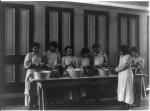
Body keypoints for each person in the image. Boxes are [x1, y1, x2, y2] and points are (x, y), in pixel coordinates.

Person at [115, 45, 134, 110]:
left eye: (120, 51)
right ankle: (123, 105)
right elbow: (121, 65)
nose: (119, 52)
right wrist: (117, 68)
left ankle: (127, 106)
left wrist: (116, 69)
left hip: (127, 75)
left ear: (124, 50)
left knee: (128, 90)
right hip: (121, 75)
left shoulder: (128, 57)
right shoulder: (121, 56)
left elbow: (125, 66)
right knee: (122, 89)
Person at [24, 42, 42, 109]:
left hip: (37, 73)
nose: (36, 49)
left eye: (38, 48)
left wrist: (40, 65)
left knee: (37, 89)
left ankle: (36, 104)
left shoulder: (39, 55)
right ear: (32, 48)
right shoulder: (29, 55)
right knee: (29, 89)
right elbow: (26, 64)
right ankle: (29, 105)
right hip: (31, 72)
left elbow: (40, 64)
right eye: (35, 48)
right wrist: (34, 64)